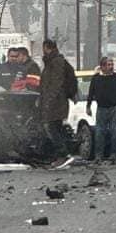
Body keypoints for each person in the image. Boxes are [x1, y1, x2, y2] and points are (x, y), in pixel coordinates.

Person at [38, 39, 78, 168]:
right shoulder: (52, 62)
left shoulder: (56, 62)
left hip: (56, 103)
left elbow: (56, 83)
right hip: (55, 102)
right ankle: (61, 155)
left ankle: (63, 155)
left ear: (46, 48)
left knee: (51, 127)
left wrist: (49, 99)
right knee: (55, 128)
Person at [86, 57, 116, 163]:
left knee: (115, 132)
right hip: (101, 109)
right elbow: (91, 92)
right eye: (108, 65)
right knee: (99, 133)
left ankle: (115, 155)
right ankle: (98, 155)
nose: (111, 67)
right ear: (102, 66)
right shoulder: (96, 78)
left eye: (112, 64)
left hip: (114, 109)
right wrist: (88, 106)